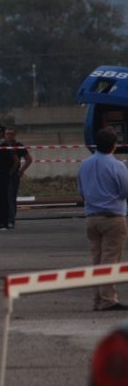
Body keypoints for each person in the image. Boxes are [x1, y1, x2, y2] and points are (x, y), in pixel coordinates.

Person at [77, 128, 128, 311]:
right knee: (110, 259)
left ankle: (97, 299)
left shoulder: (85, 164)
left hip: (91, 217)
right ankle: (108, 300)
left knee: (97, 259)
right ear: (114, 145)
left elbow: (81, 191)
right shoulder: (117, 165)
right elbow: (124, 191)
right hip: (113, 217)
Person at [0, 124, 18, 230]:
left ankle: (2, 222)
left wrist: (9, 173)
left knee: (2, 200)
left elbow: (13, 160)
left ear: (1, 133)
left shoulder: (3, 145)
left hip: (1, 176)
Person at [5, 128, 32, 228]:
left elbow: (29, 159)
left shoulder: (19, 146)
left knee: (11, 198)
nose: (9, 136)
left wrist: (21, 170)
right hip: (3, 175)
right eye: (7, 134)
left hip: (13, 176)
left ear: (15, 134)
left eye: (11, 134)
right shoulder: (3, 145)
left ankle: (11, 220)